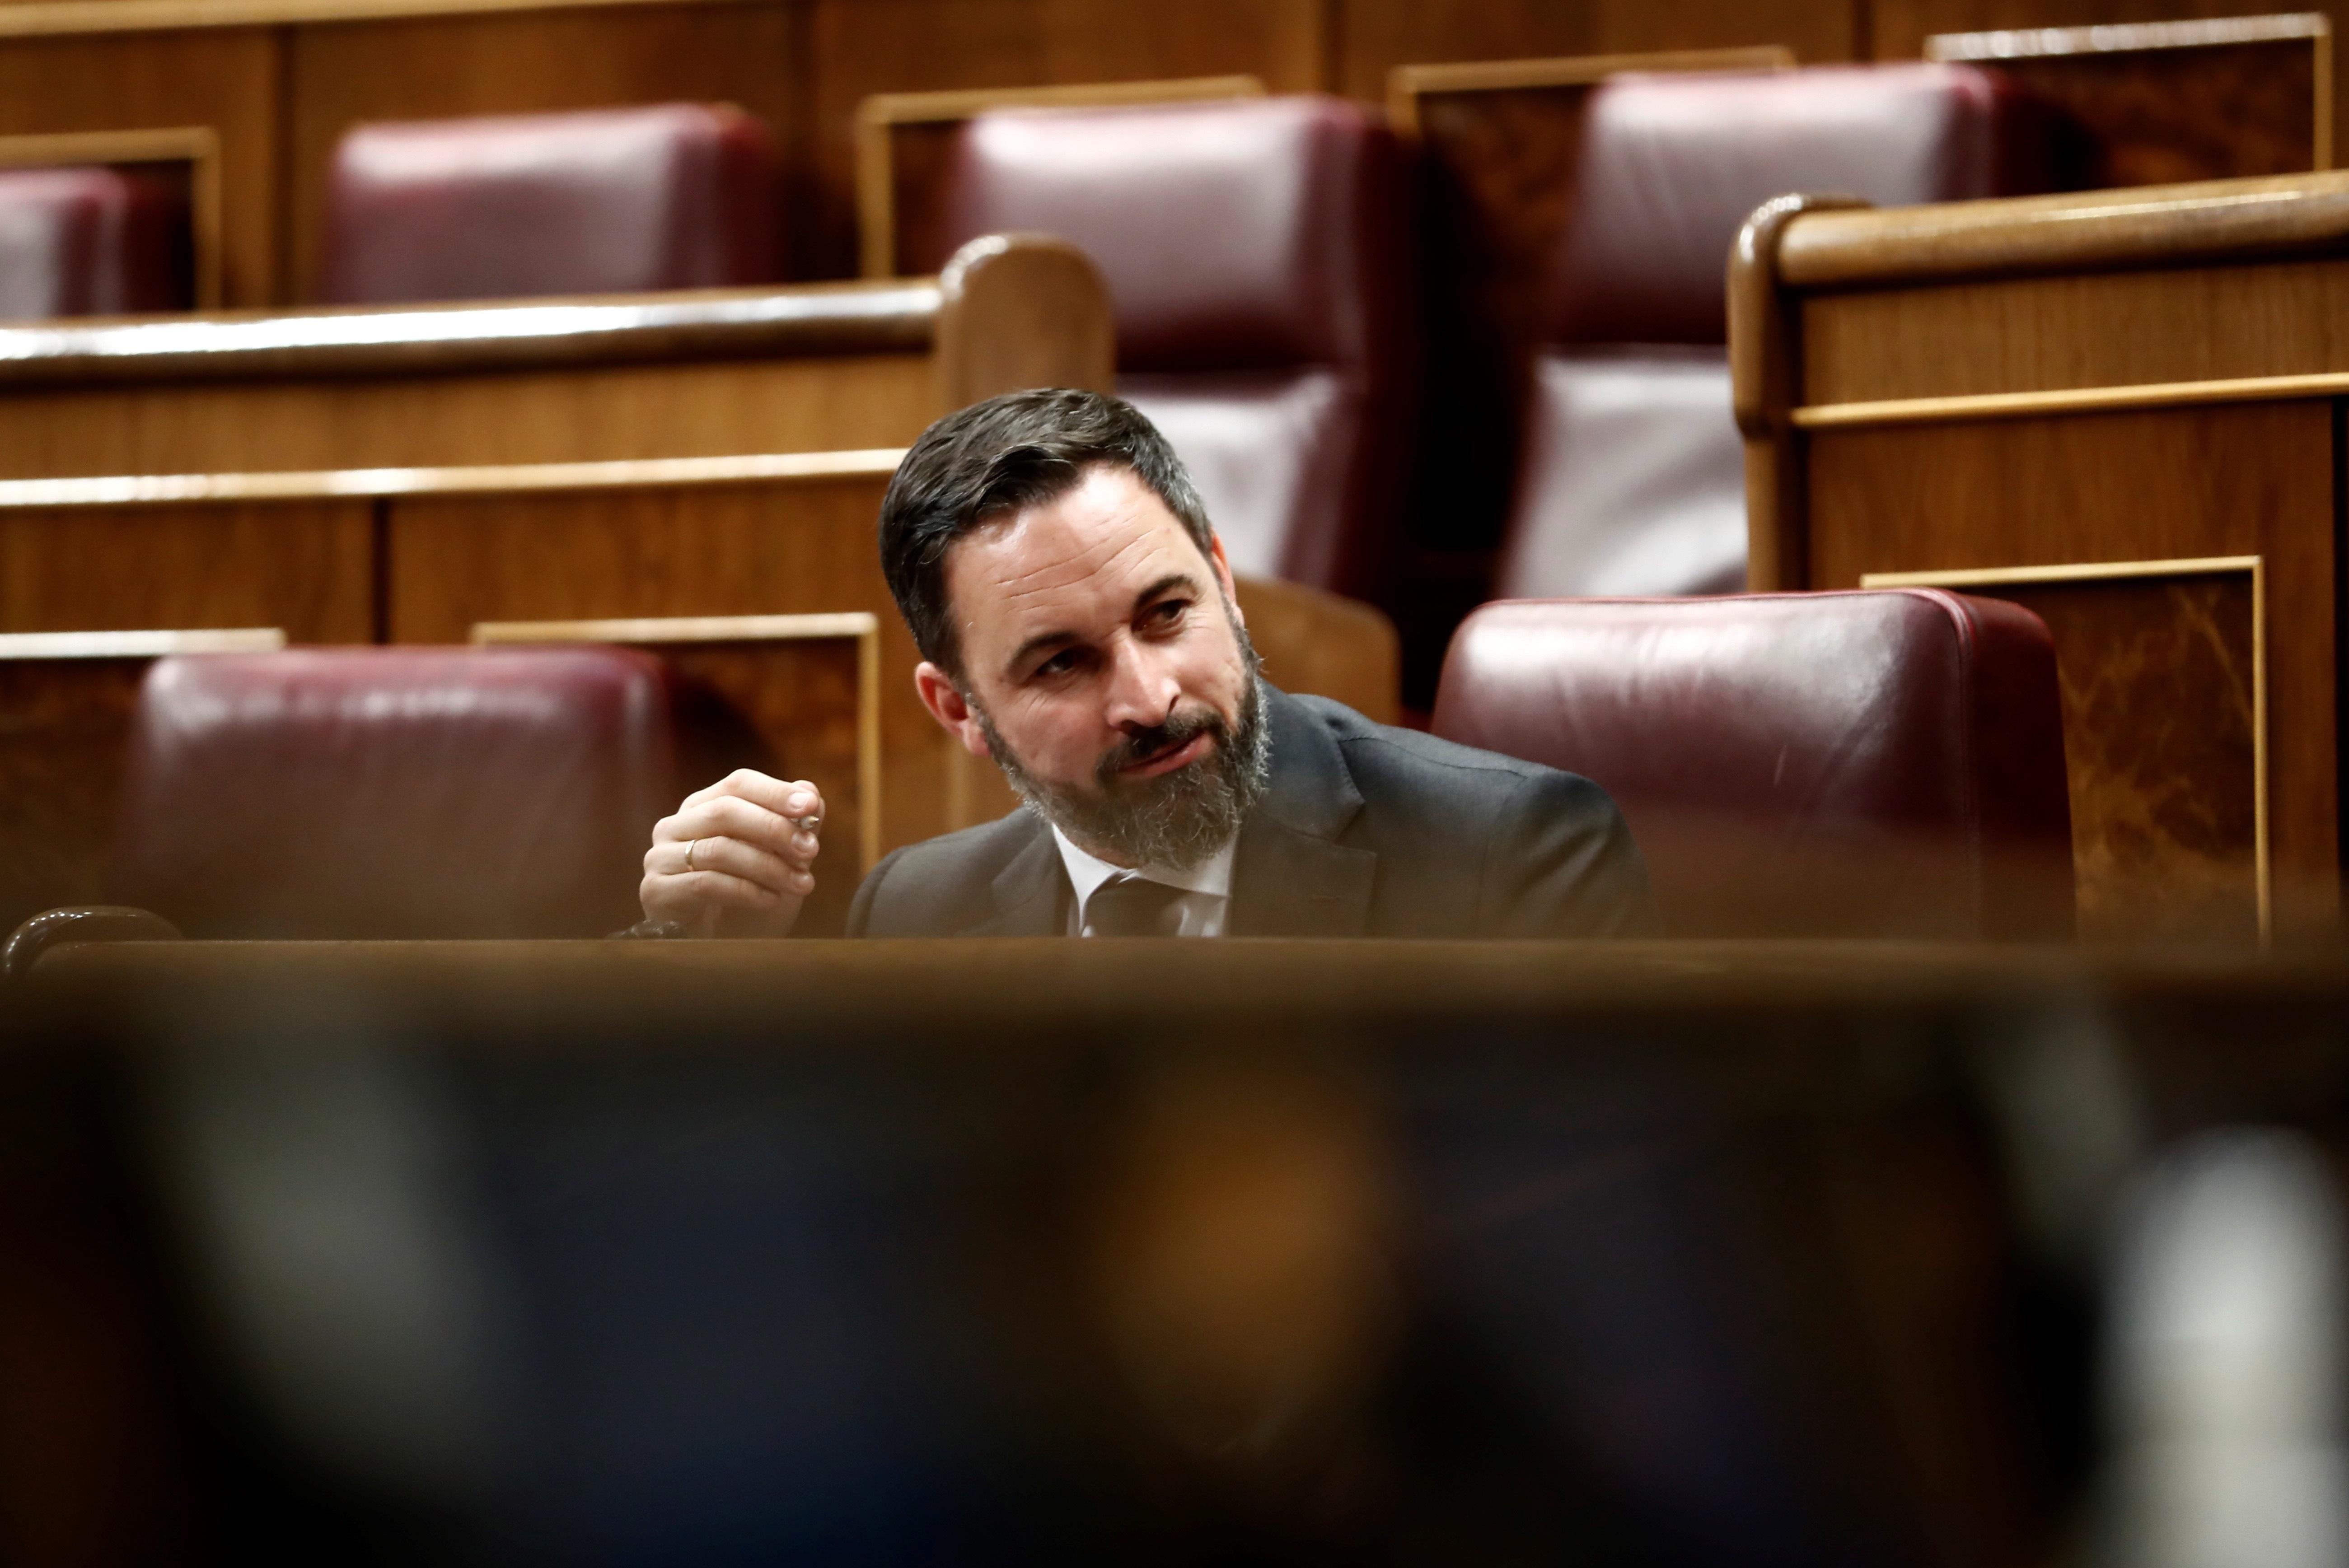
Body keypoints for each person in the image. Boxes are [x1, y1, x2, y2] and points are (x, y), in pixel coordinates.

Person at [633, 389, 1653, 938]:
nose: (1149, 697)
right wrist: (694, 952)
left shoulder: (1504, 857)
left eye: (1167, 613)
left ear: (1222, 578)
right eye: (1061, 664)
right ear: (959, 711)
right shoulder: (915, 913)